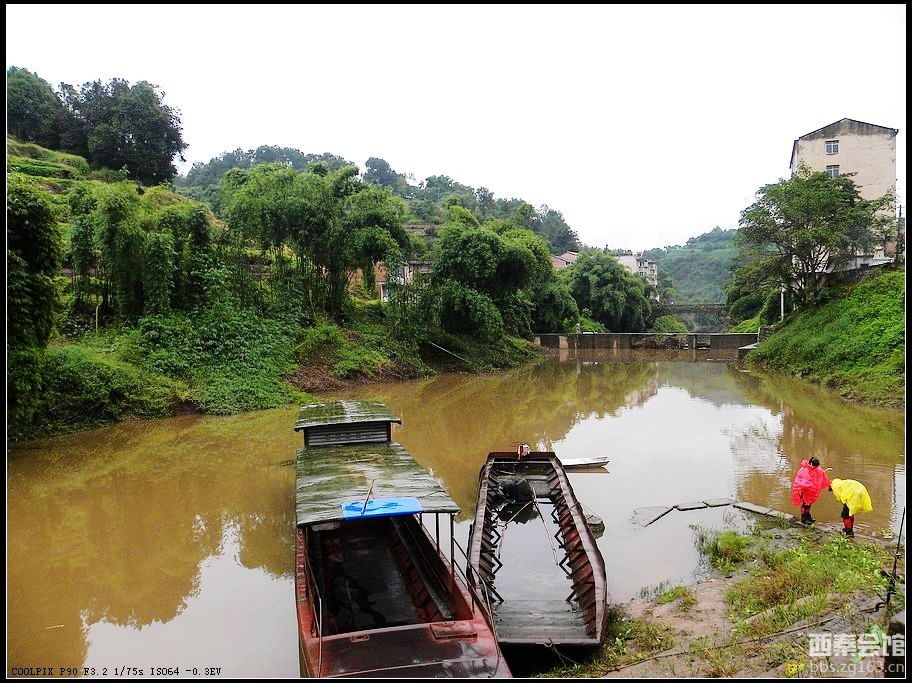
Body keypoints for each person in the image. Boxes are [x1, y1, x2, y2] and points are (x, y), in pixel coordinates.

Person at [791, 457, 830, 524]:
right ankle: (803, 518)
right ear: (811, 463)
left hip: (812, 491)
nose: (815, 468)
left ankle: (808, 516)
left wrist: (825, 471)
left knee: (809, 504)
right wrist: (808, 486)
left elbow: (820, 474)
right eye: (814, 466)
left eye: (816, 467)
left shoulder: (816, 468)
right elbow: (800, 480)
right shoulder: (804, 470)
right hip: (805, 490)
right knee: (805, 504)